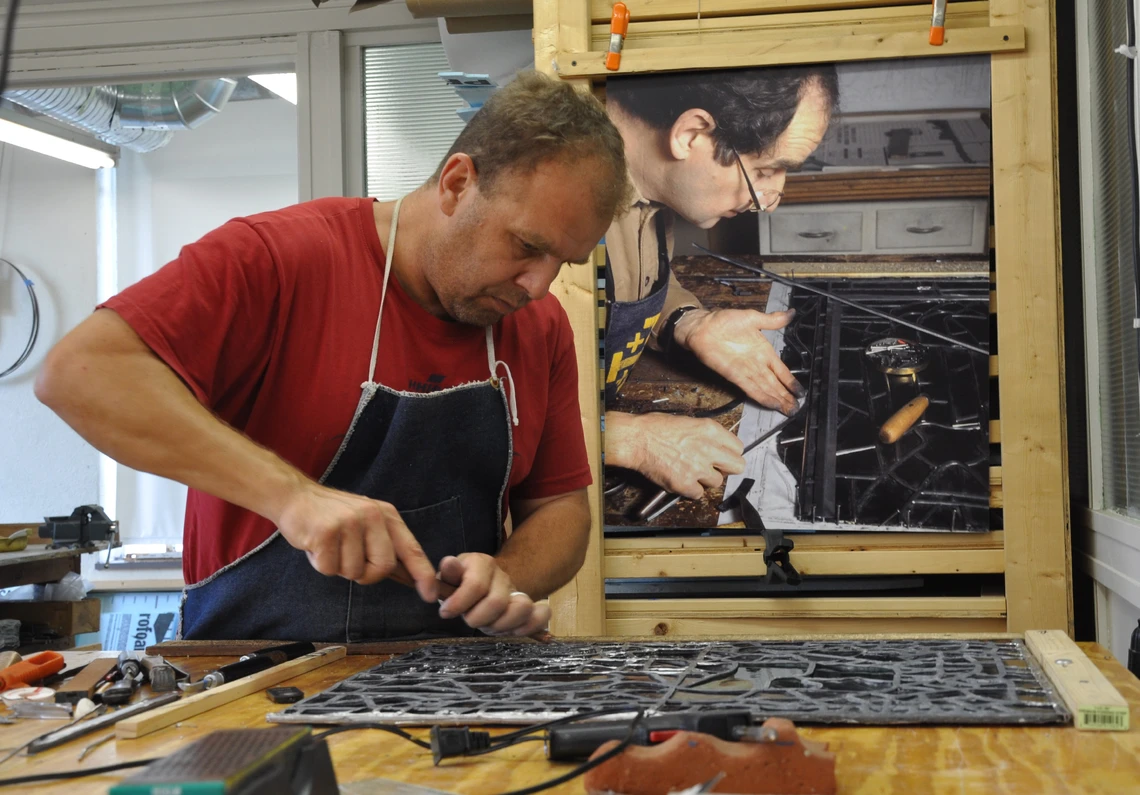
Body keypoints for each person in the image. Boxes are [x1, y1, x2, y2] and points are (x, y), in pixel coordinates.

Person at [34, 71, 629, 642]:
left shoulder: (538, 327)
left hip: (453, 678)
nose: (538, 287)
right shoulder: (277, 260)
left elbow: (561, 512)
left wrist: (506, 578)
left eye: (564, 264)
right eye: (526, 246)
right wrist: (293, 498)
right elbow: (81, 373)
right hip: (251, 673)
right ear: (456, 183)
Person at [601, 66, 839, 500]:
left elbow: (629, 280)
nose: (767, 201)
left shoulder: (647, 180)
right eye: (766, 170)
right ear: (692, 134)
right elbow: (482, 415)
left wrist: (688, 323)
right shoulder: (548, 211)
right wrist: (629, 439)